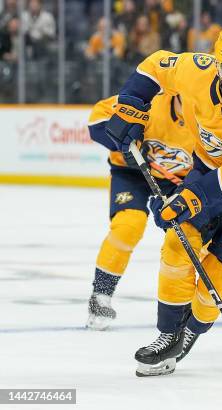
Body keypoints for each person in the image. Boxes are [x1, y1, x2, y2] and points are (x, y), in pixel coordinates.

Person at [105, 27, 222, 376]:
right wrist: (132, 106)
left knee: (217, 279)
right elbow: (154, 66)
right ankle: (168, 336)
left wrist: (184, 201)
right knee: (177, 246)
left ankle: (189, 334)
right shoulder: (195, 70)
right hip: (210, 171)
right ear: (217, 67)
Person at [86, 92, 194, 330]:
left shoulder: (212, 117)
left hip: (174, 181)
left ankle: (214, 293)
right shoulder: (150, 102)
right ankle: (100, 295)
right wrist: (125, 146)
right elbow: (96, 123)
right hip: (130, 172)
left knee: (192, 234)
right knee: (129, 225)